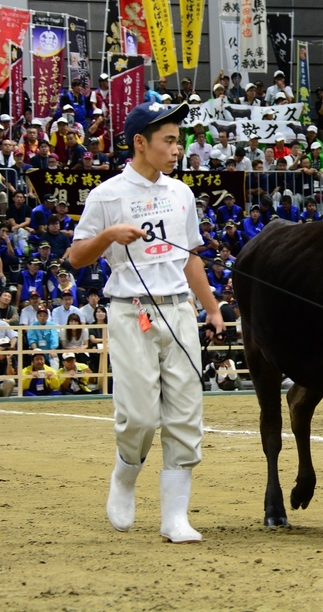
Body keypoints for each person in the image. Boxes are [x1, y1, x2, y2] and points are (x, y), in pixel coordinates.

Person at [68, 102, 224, 543]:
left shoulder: (181, 193)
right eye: (168, 141)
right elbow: (75, 257)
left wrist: (210, 308)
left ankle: (175, 518)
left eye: (178, 141)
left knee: (186, 414)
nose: (177, 149)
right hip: (130, 309)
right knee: (138, 415)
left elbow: (190, 256)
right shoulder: (107, 195)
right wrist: (107, 236)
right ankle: (124, 475)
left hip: (179, 311)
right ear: (140, 142)